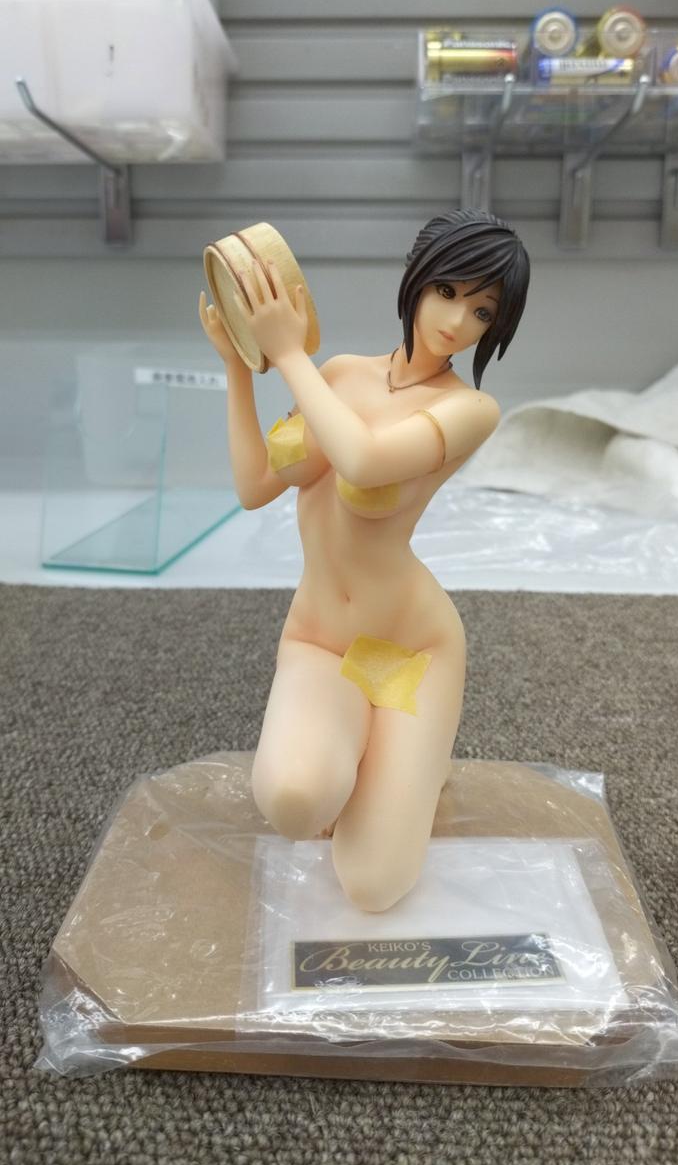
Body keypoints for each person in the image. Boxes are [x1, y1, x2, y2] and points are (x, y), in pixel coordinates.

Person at [199, 209, 530, 912]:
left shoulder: (470, 410)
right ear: (415, 280)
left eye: (482, 310)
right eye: (446, 290)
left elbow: (365, 459)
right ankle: (363, 756)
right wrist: (238, 366)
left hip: (409, 650)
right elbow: (256, 486)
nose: (456, 320)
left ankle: (413, 764)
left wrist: (288, 355)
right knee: (295, 801)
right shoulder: (341, 374)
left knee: (374, 886)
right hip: (322, 641)